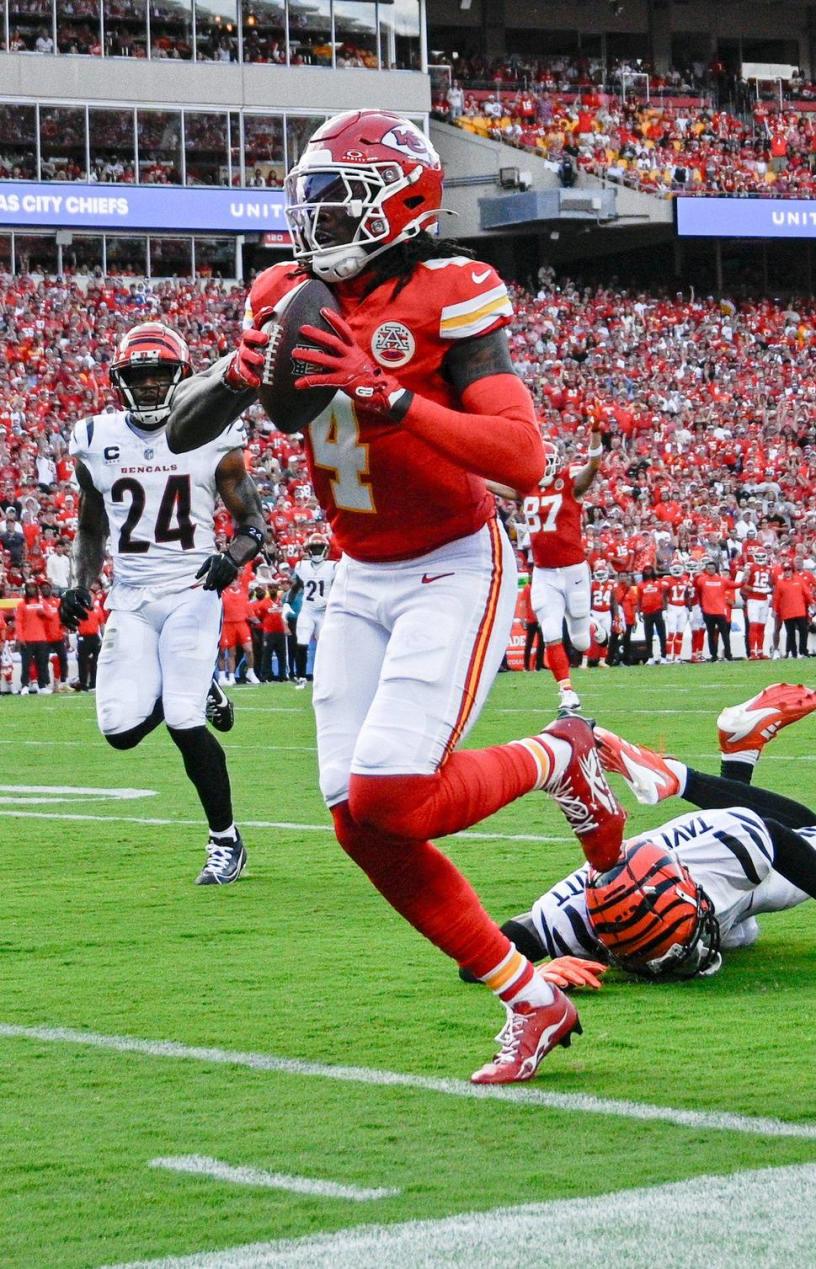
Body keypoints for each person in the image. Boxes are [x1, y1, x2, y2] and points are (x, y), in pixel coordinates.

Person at [165, 109, 626, 1085]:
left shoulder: (450, 293)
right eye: (310, 196)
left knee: (388, 794)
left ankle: (560, 756)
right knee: (354, 817)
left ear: (400, 204)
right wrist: (232, 375)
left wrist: (397, 400)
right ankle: (529, 997)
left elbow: (523, 457)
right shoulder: (284, 291)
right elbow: (183, 426)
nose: (313, 215)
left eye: (335, 197)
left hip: (454, 561)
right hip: (356, 571)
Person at [476, 684, 816, 987]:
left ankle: (681, 777)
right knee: (738, 937)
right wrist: (530, 971)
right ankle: (741, 750)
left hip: (714, 867)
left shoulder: (721, 852)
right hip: (709, 899)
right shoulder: (570, 917)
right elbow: (476, 959)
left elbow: (777, 837)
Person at [60, 321, 268, 885]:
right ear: (120, 380)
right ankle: (199, 681)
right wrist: (80, 582)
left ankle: (225, 841)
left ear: (179, 379)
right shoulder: (94, 438)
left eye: (160, 377)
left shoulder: (213, 434)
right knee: (121, 731)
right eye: (140, 377)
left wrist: (232, 556)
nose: (150, 387)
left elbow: (254, 524)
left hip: (192, 590)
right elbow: (91, 523)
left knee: (182, 718)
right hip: (130, 597)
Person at [516, 430, 604, 710]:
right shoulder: (525, 487)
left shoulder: (569, 484)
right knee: (551, 630)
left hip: (573, 571)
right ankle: (567, 692)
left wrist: (596, 436)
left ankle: (590, 624)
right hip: (543, 572)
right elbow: (491, 482)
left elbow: (593, 467)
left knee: (579, 642)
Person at [288, 534, 337, 688]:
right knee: (302, 643)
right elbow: (296, 586)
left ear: (325, 549)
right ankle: (301, 677)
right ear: (308, 550)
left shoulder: (333, 567)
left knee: (325, 646)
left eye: (319, 547)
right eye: (314, 548)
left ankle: (324, 677)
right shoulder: (302, 566)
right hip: (307, 611)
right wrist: (287, 603)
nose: (316, 551)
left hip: (324, 611)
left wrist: (331, 600)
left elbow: (340, 588)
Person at [15, 580, 54, 694]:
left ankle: (42, 686)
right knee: (26, 664)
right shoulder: (22, 604)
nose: (31, 589)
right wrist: (21, 638)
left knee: (41, 663)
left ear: (36, 589)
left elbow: (51, 615)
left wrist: (44, 613)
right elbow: (18, 622)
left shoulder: (42, 602)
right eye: (29, 588)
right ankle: (25, 686)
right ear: (26, 589)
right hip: (27, 639)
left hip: (41, 638)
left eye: (33, 587)